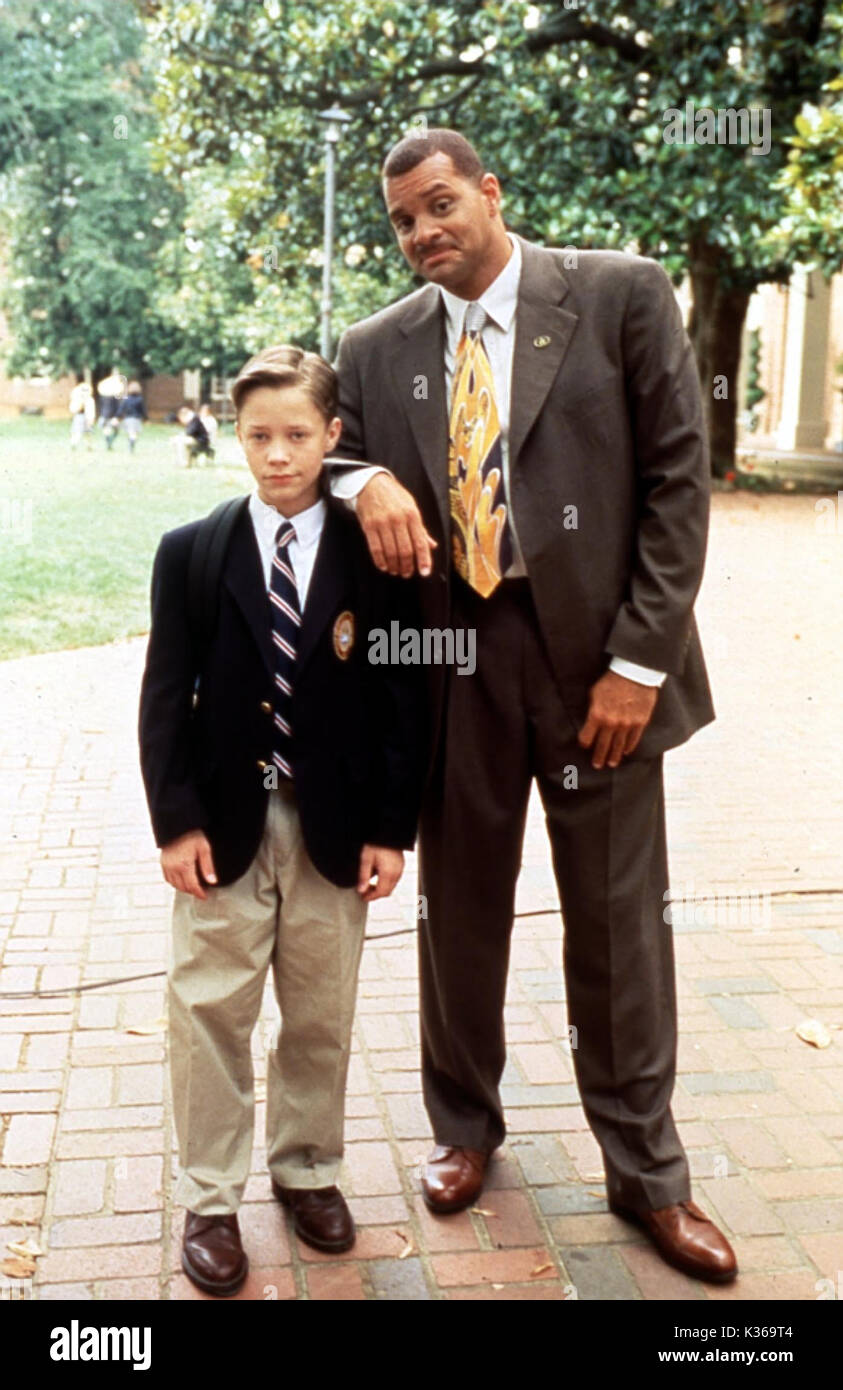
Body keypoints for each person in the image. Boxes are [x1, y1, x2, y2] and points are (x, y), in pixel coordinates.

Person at [325, 128, 737, 1284]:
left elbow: (677, 482)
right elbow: (327, 455)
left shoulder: (616, 294)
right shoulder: (376, 345)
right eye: (403, 221)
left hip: (598, 667)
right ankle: (465, 1129)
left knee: (618, 926)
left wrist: (638, 667)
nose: (423, 234)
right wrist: (371, 481)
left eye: (441, 205)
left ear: (492, 191)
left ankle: (649, 1175)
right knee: (459, 913)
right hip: (453, 659)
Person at [138, 344, 425, 1297]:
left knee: (318, 1008)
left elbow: (402, 697)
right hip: (224, 823)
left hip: (334, 821)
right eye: (257, 435)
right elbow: (163, 696)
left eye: (297, 434)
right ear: (237, 434)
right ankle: (210, 1196)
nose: (275, 455)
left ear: (333, 436)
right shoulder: (193, 550)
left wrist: (391, 826)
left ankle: (308, 1171)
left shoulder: (370, 555)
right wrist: (176, 821)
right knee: (209, 1006)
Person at [97, 368, 124, 450]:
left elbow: (100, 404)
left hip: (104, 413)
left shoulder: (104, 393)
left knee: (107, 429)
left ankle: (108, 443)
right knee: (115, 430)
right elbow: (117, 405)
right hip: (112, 414)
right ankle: (109, 443)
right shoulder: (115, 393)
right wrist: (117, 416)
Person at [116, 379, 147, 452]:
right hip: (136, 419)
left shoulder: (126, 399)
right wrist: (146, 418)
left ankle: (131, 444)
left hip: (128, 419)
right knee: (134, 433)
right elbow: (143, 410)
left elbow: (121, 409)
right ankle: (131, 446)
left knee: (130, 433)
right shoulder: (140, 399)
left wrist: (117, 417)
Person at [68, 380, 95, 451]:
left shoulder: (90, 400)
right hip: (79, 416)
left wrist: (91, 419)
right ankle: (73, 444)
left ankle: (89, 446)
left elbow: (91, 410)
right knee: (77, 432)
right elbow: (72, 409)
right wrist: (79, 405)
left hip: (87, 417)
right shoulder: (77, 399)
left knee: (88, 433)